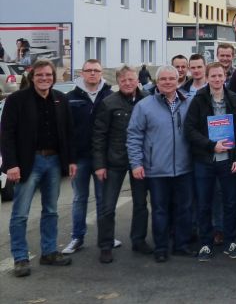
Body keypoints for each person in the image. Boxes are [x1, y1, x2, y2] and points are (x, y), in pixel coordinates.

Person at [1, 59, 76, 277]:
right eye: (40, 75)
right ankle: (20, 258)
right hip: (27, 163)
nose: (45, 79)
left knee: (51, 210)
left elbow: (69, 133)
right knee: (20, 214)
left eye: (49, 75)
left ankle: (50, 252)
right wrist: (11, 165)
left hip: (53, 162)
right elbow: (6, 134)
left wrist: (71, 160)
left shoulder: (60, 100)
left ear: (54, 77)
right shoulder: (17, 100)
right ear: (32, 77)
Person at [127, 65, 195, 263]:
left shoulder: (188, 102)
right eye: (163, 79)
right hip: (156, 169)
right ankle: (161, 247)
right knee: (159, 210)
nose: (167, 82)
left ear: (178, 80)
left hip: (184, 167)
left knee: (184, 208)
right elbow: (134, 136)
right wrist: (136, 163)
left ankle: (181, 245)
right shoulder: (144, 106)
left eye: (171, 79)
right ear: (157, 82)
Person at [184, 62, 236, 262]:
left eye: (221, 76)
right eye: (214, 76)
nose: (217, 79)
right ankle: (206, 244)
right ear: (207, 77)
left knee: (230, 202)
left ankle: (230, 241)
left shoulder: (234, 99)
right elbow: (190, 130)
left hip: (229, 161)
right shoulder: (199, 99)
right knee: (204, 203)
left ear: (225, 77)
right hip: (205, 160)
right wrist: (211, 145)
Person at [93, 65, 151, 263]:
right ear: (118, 82)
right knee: (108, 207)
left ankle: (139, 240)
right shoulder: (108, 103)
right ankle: (106, 245)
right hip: (114, 161)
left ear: (138, 80)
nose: (128, 83)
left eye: (131, 79)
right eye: (124, 80)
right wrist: (99, 165)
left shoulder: (148, 100)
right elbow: (99, 136)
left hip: (140, 161)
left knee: (141, 204)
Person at [62, 59, 114, 255]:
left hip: (102, 158)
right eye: (89, 70)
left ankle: (106, 237)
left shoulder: (109, 96)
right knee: (79, 199)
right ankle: (77, 237)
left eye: (96, 70)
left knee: (104, 200)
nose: (93, 73)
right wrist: (70, 159)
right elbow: (66, 131)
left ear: (101, 73)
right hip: (80, 158)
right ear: (82, 73)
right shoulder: (70, 97)